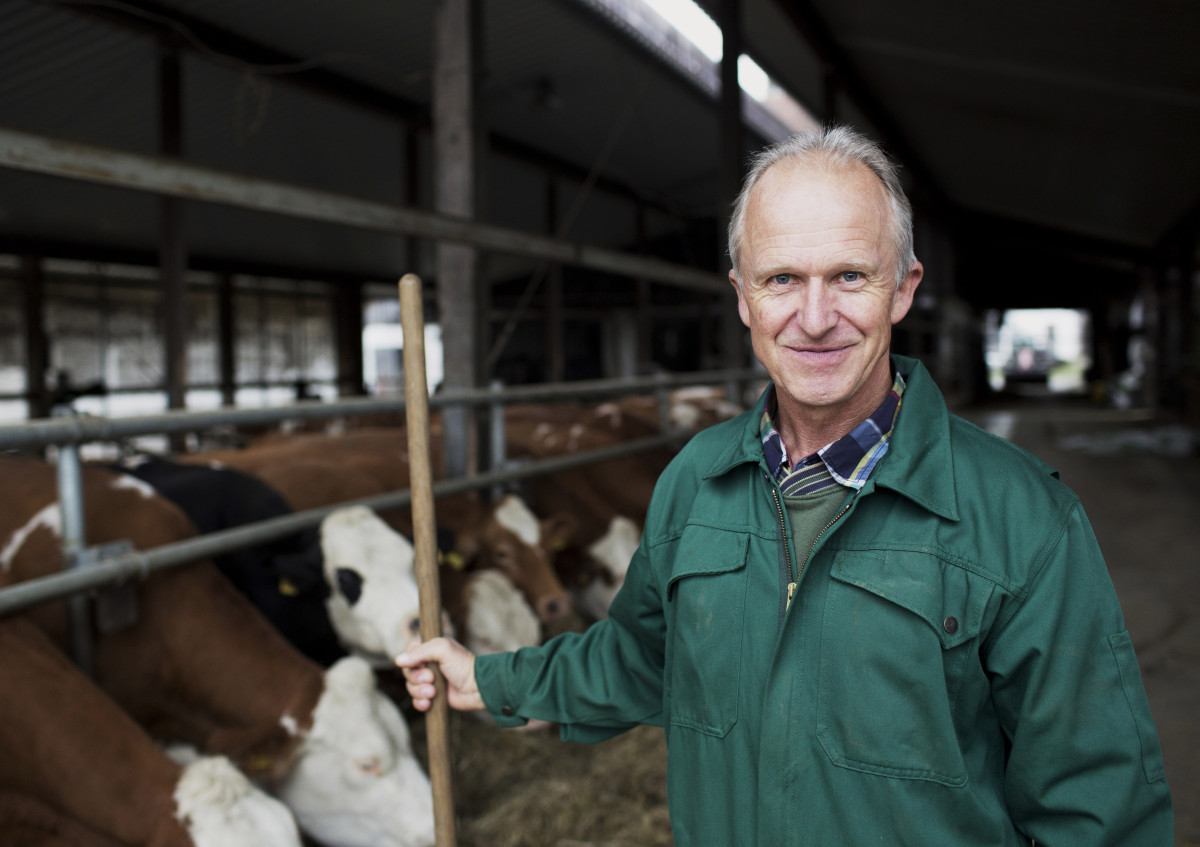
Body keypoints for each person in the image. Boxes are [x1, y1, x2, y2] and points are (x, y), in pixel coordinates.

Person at [397, 125, 1173, 845]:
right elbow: (640, 657)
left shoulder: (1022, 517)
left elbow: (1095, 802)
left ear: (902, 289)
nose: (814, 316)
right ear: (743, 297)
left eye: (849, 276)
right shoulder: (695, 482)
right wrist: (491, 679)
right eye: (781, 279)